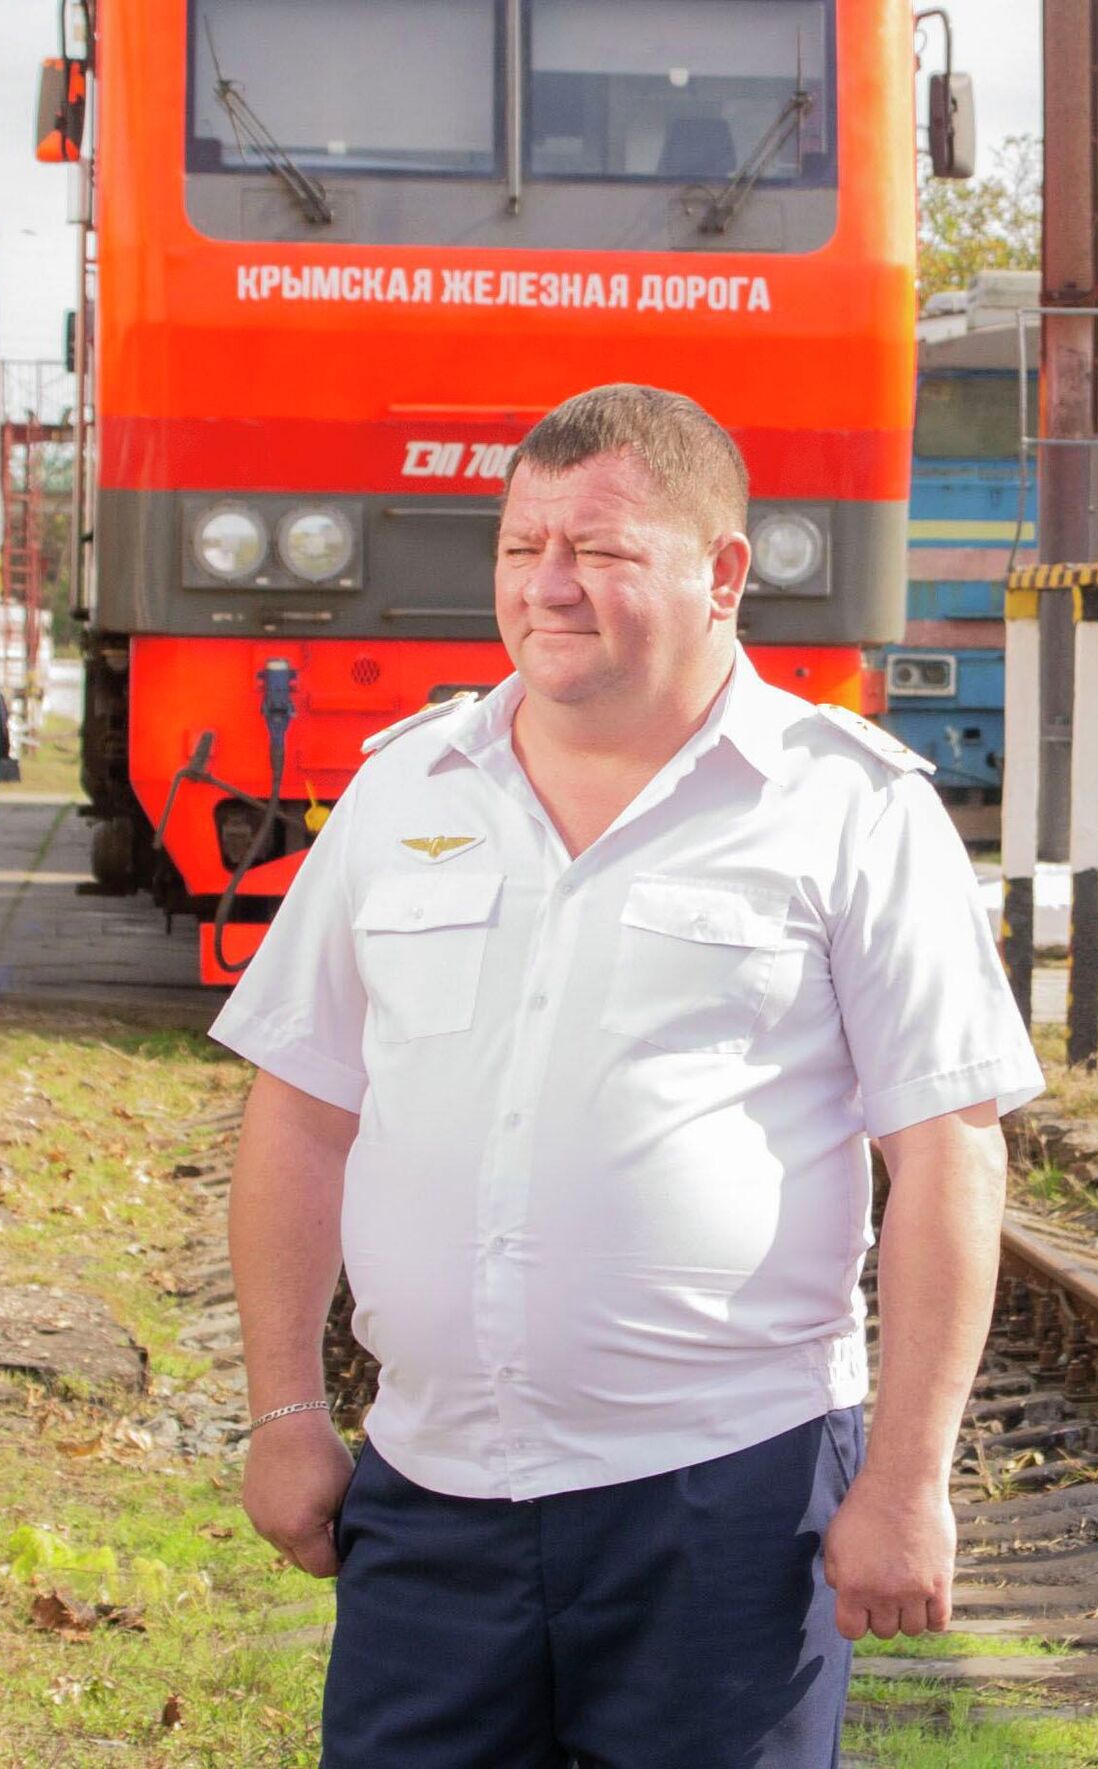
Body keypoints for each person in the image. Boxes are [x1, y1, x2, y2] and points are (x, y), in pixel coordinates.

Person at [212, 383, 1044, 1768]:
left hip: (729, 1500)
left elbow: (950, 1152)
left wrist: (905, 1477)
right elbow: (298, 1116)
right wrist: (287, 1411)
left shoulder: (851, 806)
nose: (549, 587)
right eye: (521, 548)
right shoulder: (402, 790)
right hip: (431, 1496)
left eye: (600, 551)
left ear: (725, 571)